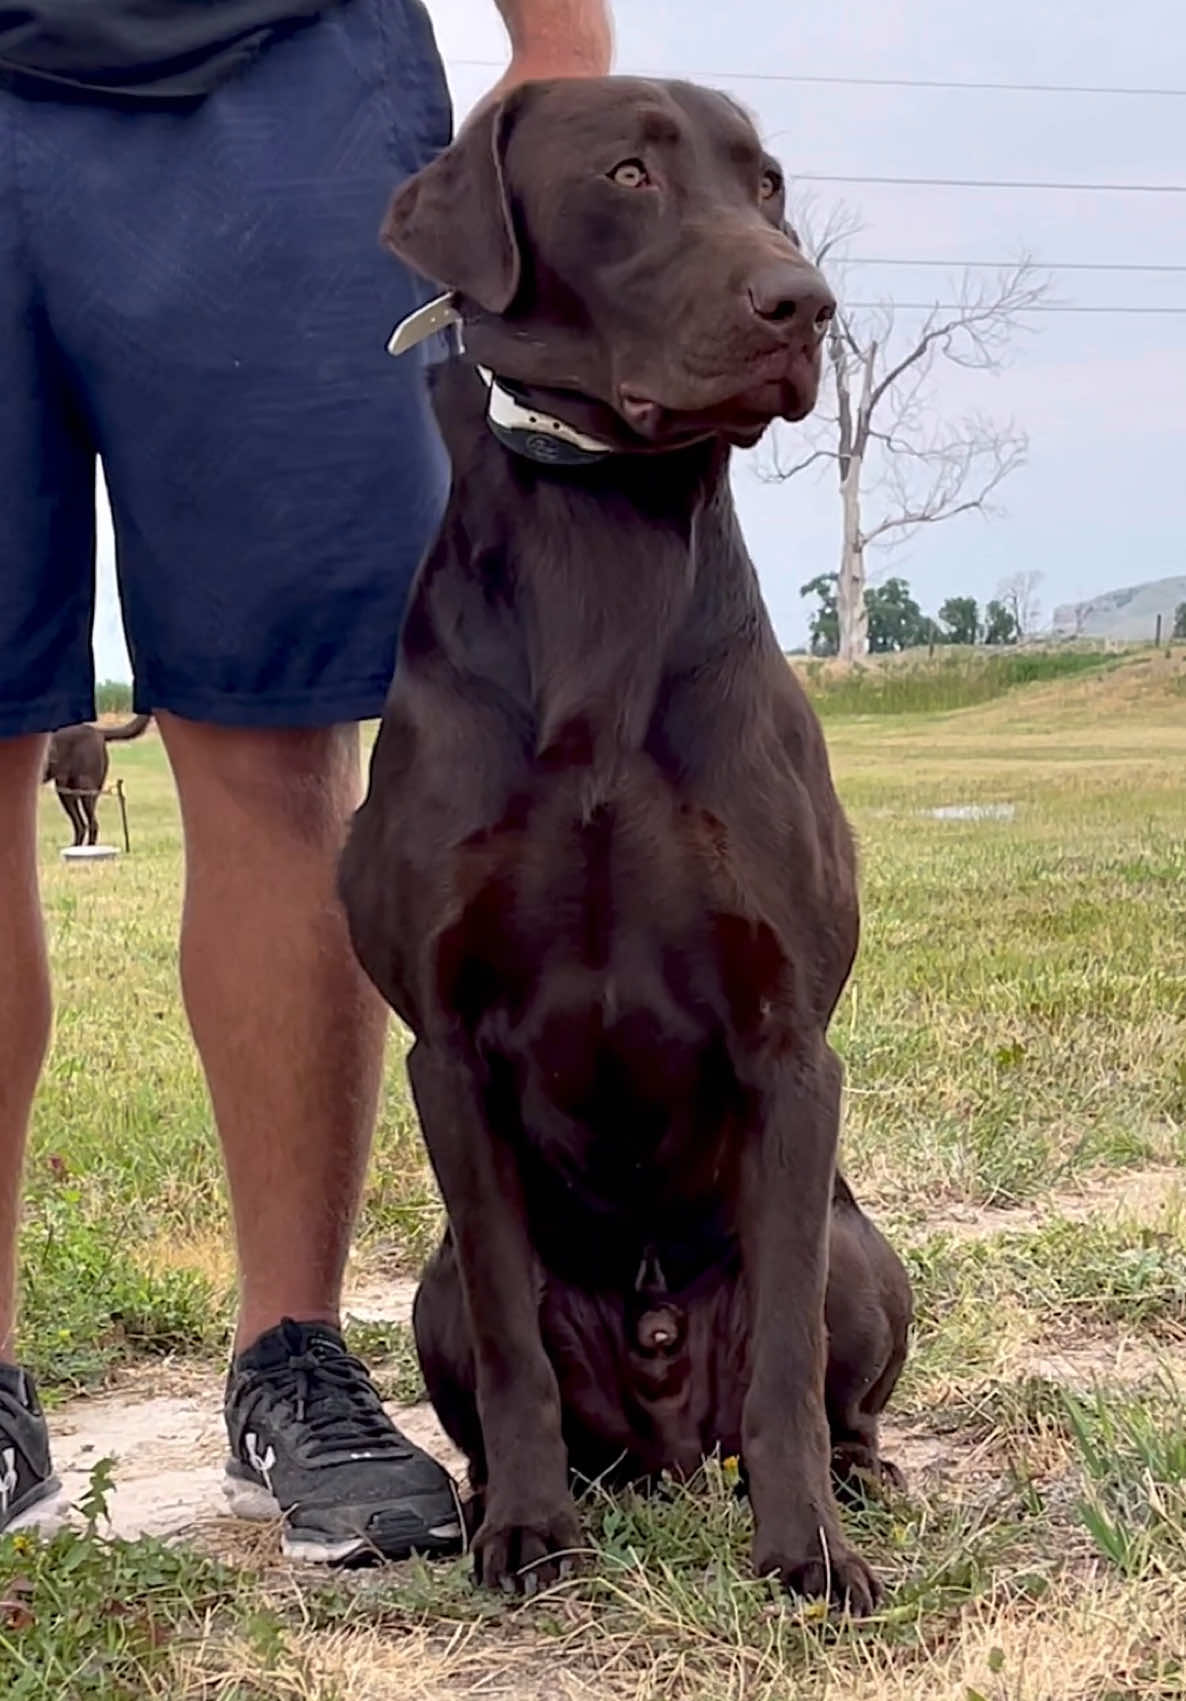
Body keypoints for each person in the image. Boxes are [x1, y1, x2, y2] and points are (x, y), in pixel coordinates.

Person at [0, 0, 613, 1559]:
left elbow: (563, 35)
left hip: (287, 108)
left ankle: (292, 1356)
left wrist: (549, 80)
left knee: (279, 746)